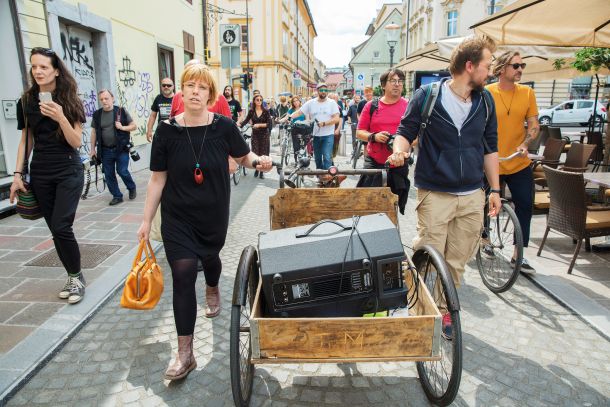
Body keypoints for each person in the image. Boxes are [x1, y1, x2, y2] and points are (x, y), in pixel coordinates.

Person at [137, 63, 272, 381]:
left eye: (202, 87)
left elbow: (243, 156)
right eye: (190, 85)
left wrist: (258, 162)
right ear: (182, 91)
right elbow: (157, 180)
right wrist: (145, 222)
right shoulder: (167, 131)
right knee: (182, 274)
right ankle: (185, 354)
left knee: (210, 259)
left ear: (210, 94)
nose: (195, 91)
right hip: (177, 217)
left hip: (212, 215)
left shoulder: (223, 127)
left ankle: (213, 285)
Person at [391, 36, 501, 339]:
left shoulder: (485, 101)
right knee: (429, 253)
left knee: (456, 261)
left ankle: (442, 309)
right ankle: (418, 307)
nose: (490, 72)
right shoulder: (427, 95)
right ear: (469, 66)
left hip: (471, 195)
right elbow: (404, 131)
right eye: (487, 66)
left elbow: (490, 148)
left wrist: (495, 190)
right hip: (435, 192)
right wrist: (399, 150)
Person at [9, 47, 87, 303]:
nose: (38, 71)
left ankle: (76, 279)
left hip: (68, 169)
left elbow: (76, 142)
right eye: (34, 66)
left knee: (63, 226)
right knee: (55, 229)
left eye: (44, 66)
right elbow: (25, 140)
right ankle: (73, 274)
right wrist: (18, 173)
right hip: (41, 172)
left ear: (55, 70)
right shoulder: (27, 101)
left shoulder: (70, 98)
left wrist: (61, 117)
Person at [486, 51, 540, 274]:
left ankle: (519, 254)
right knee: (485, 204)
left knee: (526, 204)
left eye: (522, 65)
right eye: (515, 65)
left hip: (517, 161)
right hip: (491, 161)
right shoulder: (487, 92)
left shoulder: (527, 93)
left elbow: (534, 125)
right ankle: (484, 239)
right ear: (501, 69)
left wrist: (526, 143)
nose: (520, 69)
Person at [356, 69, 410, 210]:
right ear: (383, 85)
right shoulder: (371, 106)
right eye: (393, 81)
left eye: (400, 81)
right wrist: (374, 137)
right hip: (374, 163)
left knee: (392, 205)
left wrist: (398, 143)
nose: (397, 84)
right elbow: (359, 132)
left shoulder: (409, 106)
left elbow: (415, 136)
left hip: (398, 164)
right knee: (368, 203)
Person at [90, 89, 138, 205]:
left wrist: (122, 127)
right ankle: (117, 196)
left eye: (106, 98)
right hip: (105, 150)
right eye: (101, 99)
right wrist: (92, 150)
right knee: (108, 174)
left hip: (121, 148)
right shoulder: (97, 114)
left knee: (122, 171)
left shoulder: (120, 111)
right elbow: (94, 132)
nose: (104, 101)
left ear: (112, 99)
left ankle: (131, 187)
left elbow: (134, 126)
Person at [289, 83, 340, 170]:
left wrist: (324, 123)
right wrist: (290, 117)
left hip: (328, 135)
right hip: (315, 135)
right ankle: (320, 177)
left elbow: (336, 119)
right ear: (317, 91)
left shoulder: (332, 103)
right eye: (321, 90)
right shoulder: (311, 103)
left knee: (327, 157)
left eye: (325, 90)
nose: (323, 92)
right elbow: (299, 112)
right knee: (318, 158)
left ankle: (326, 179)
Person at [239, 94, 273, 179]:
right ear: (254, 101)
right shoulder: (251, 111)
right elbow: (246, 120)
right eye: (257, 100)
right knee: (255, 152)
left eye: (261, 100)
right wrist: (239, 126)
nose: (259, 101)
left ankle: (261, 171)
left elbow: (269, 124)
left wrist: (259, 125)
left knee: (263, 153)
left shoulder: (266, 111)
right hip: (255, 135)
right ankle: (257, 169)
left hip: (264, 135)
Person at [280, 95, 307, 162]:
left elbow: (307, 119)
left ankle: (304, 159)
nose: (295, 102)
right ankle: (296, 160)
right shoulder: (291, 110)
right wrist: (280, 121)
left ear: (299, 101)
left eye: (296, 101)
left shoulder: (303, 108)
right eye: (294, 101)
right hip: (294, 128)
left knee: (303, 145)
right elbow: (286, 117)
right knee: (295, 145)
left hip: (303, 128)